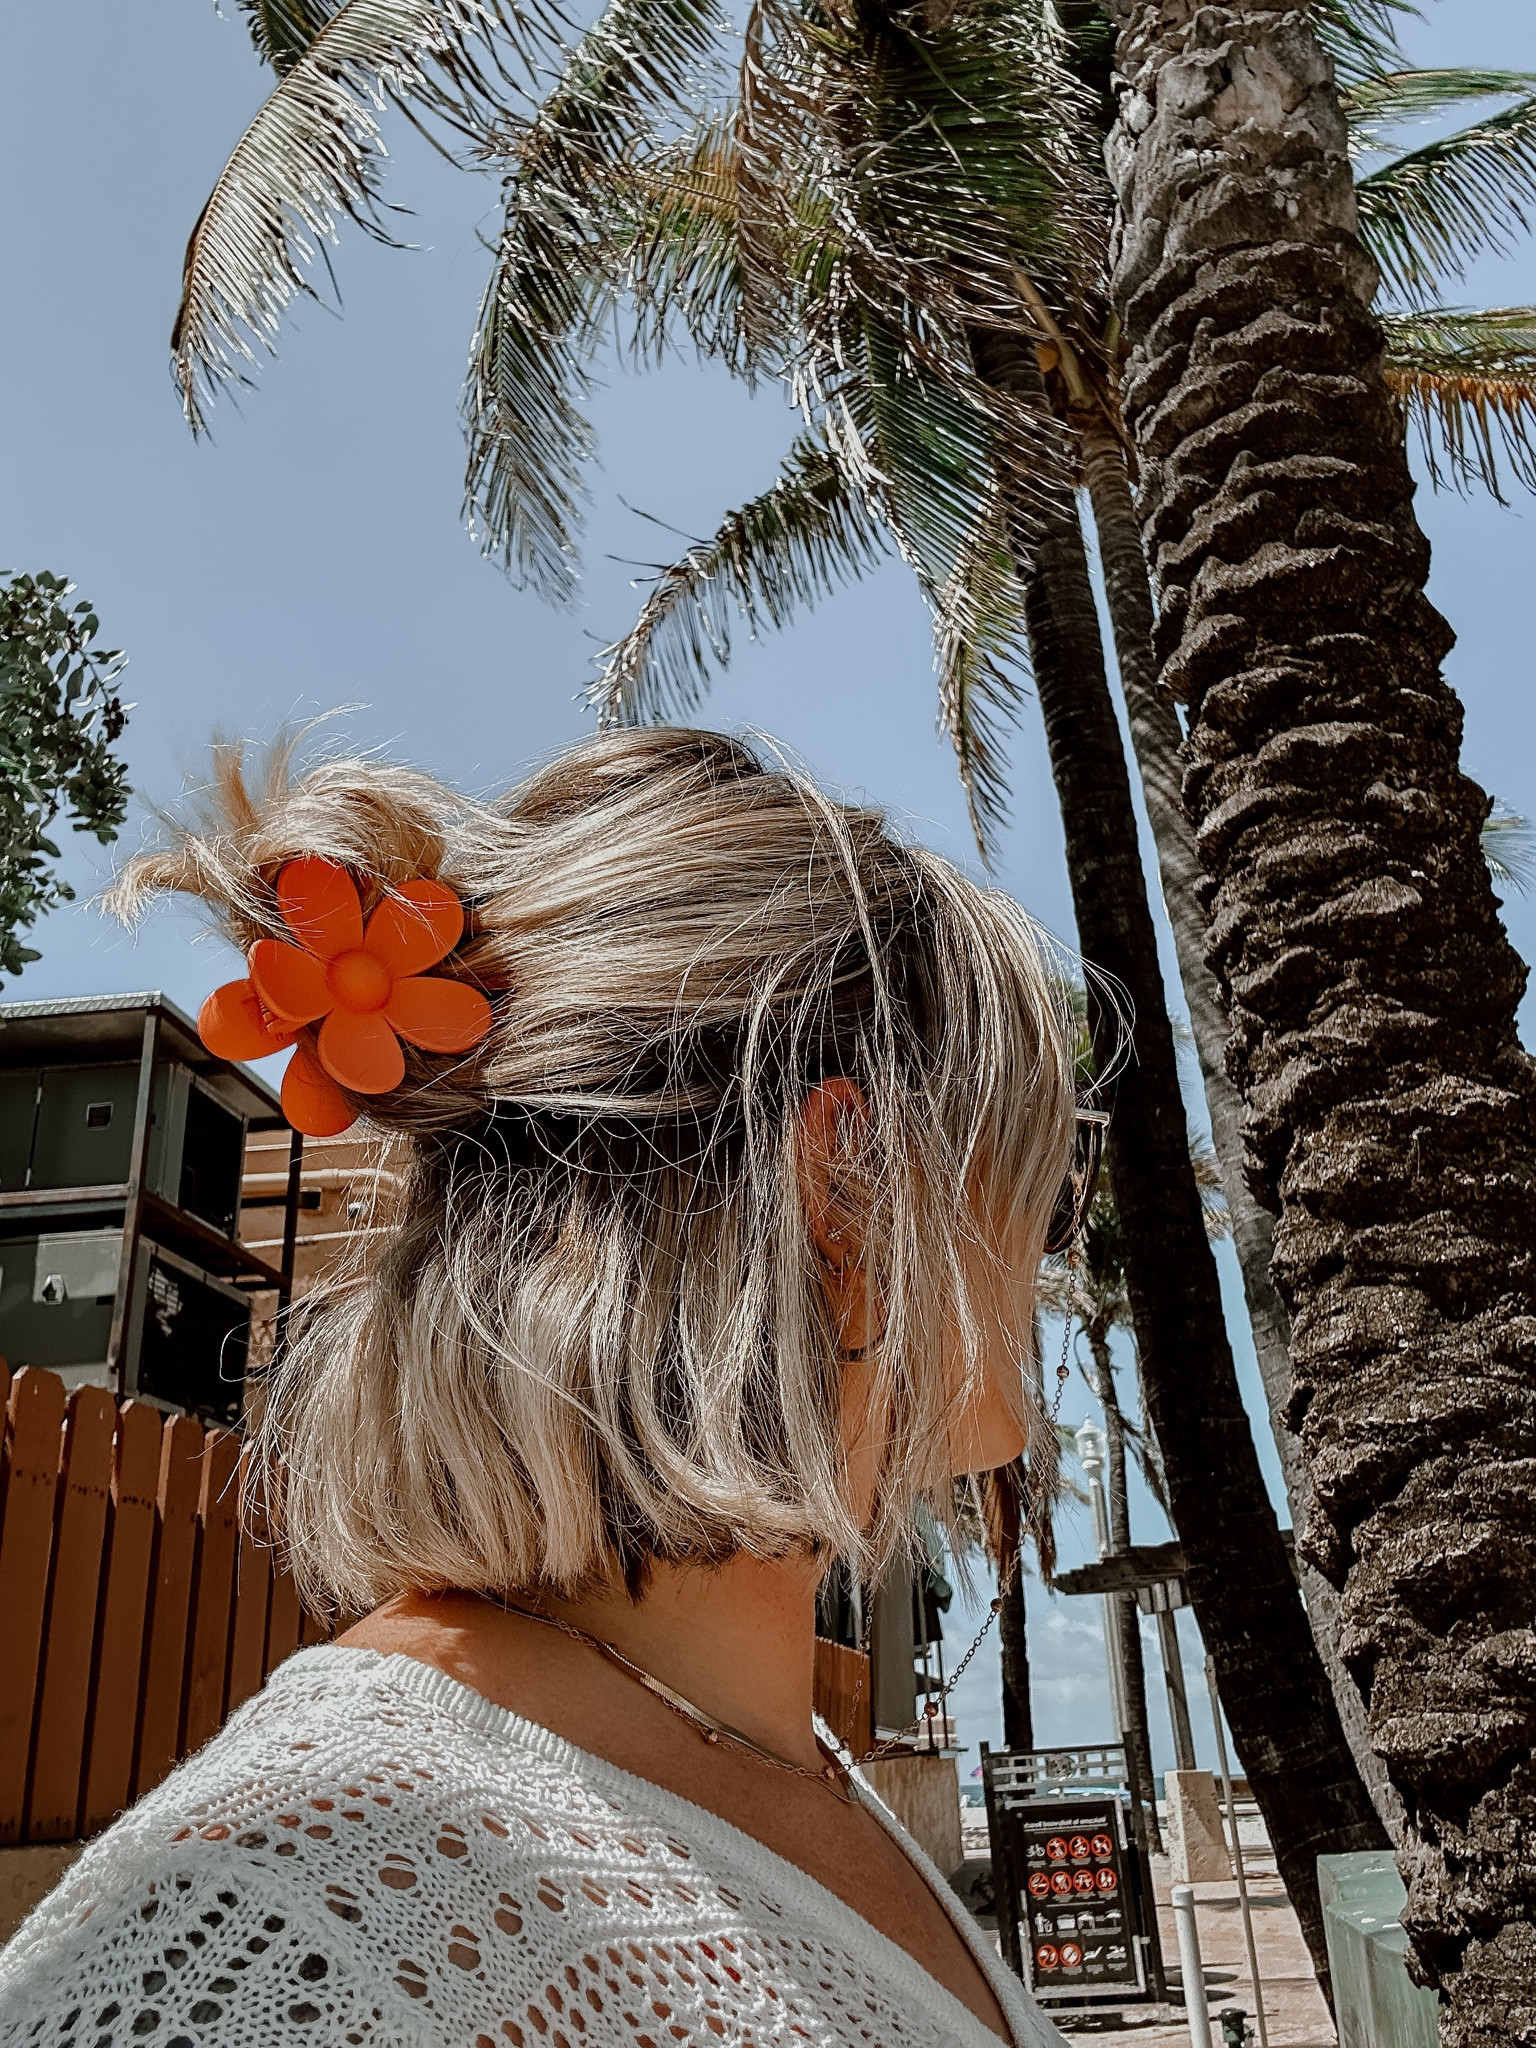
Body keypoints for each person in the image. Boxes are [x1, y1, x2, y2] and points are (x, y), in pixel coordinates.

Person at [0, 728, 1082, 2048]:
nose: (1050, 1248)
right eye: (1044, 1188)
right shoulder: (306, 1906)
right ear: (843, 1188)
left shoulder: (783, 1756)